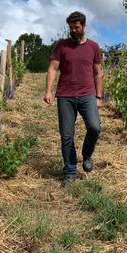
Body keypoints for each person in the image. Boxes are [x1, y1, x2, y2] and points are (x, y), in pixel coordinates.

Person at [44, 11, 103, 187]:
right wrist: (48, 90)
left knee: (94, 127)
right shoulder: (61, 46)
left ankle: (86, 155)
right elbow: (53, 69)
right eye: (71, 27)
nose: (73, 30)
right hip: (65, 95)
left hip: (87, 95)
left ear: (83, 26)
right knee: (66, 136)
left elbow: (98, 73)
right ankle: (70, 172)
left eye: (76, 27)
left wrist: (98, 96)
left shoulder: (93, 47)